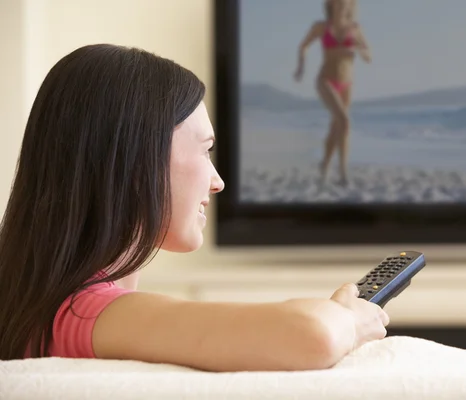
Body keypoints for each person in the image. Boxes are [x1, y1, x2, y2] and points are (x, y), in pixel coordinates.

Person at [0, 44, 389, 371]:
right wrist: (350, 318)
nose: (217, 181)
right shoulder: (84, 311)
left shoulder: (40, 301)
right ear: (139, 163)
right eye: (206, 151)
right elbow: (312, 333)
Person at [294, 0, 371, 186]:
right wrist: (301, 68)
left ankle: (327, 167)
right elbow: (303, 46)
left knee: (337, 126)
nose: (342, 4)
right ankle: (342, 172)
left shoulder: (355, 28)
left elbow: (368, 56)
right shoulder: (321, 26)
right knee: (344, 121)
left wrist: (358, 50)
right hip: (325, 80)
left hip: (346, 83)